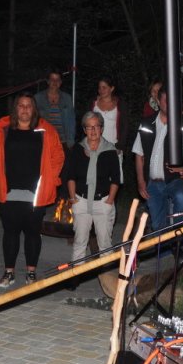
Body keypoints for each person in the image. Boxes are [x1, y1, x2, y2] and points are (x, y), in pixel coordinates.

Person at [0, 92, 65, 287]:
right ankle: (9, 273)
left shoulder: (46, 130)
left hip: (36, 193)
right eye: (21, 105)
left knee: (32, 233)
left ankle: (31, 273)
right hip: (9, 192)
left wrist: (51, 180)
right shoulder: (3, 130)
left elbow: (58, 156)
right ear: (15, 109)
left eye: (28, 106)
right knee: (10, 233)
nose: (25, 109)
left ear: (34, 109)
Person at [132, 87, 183, 231]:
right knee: (157, 224)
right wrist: (140, 181)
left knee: (182, 202)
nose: (170, 103)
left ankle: (177, 237)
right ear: (158, 101)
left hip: (175, 180)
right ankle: (164, 240)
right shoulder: (146, 123)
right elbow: (138, 154)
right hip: (152, 183)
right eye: (166, 100)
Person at [64, 111, 121, 261]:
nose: (93, 130)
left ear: (102, 129)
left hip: (103, 201)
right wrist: (73, 199)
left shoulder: (110, 150)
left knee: (105, 245)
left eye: (97, 126)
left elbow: (116, 179)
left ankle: (107, 274)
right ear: (84, 130)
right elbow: (70, 176)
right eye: (89, 127)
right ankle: (77, 273)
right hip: (81, 201)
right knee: (79, 243)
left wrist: (110, 201)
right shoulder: (77, 149)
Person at [35, 68, 76, 150]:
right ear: (48, 81)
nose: (55, 82)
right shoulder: (38, 98)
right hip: (44, 141)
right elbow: (33, 120)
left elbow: (71, 122)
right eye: (52, 79)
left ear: (60, 82)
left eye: (57, 80)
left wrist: (70, 142)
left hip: (63, 143)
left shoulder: (67, 98)